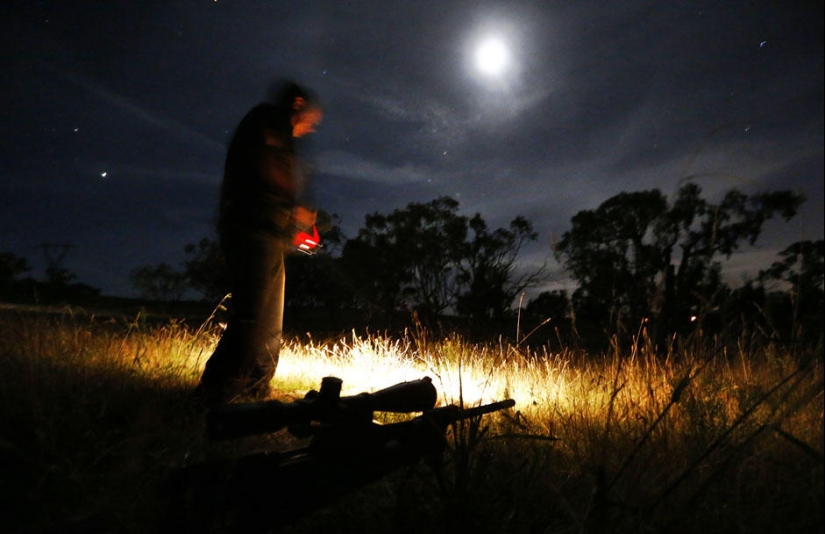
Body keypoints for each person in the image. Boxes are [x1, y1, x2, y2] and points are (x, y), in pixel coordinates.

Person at [195, 81, 323, 406]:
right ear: (298, 103)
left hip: (271, 233)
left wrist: (296, 222)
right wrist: (295, 208)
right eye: (312, 119)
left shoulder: (277, 133)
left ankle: (255, 387)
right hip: (252, 228)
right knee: (251, 313)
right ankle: (215, 392)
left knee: (269, 318)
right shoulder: (267, 120)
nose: (312, 127)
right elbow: (268, 169)